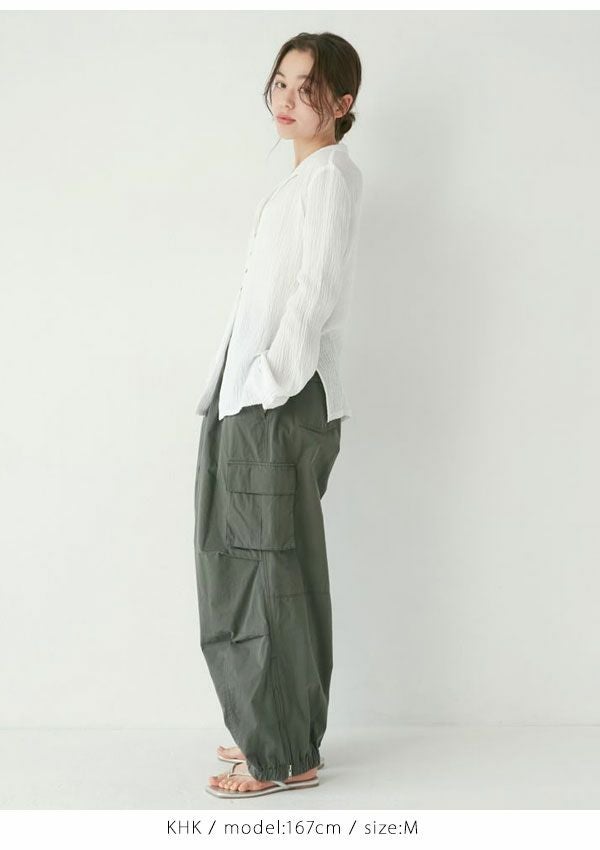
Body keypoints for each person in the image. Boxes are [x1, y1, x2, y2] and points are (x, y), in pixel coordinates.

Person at [193, 31, 363, 798]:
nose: (288, 99)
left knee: (270, 572)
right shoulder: (301, 181)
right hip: (245, 396)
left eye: (307, 88)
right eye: (282, 83)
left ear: (343, 103)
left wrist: (269, 380)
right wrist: (236, 385)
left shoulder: (329, 179)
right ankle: (265, 725)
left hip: (277, 399)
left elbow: (314, 292)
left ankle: (284, 752)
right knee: (238, 564)